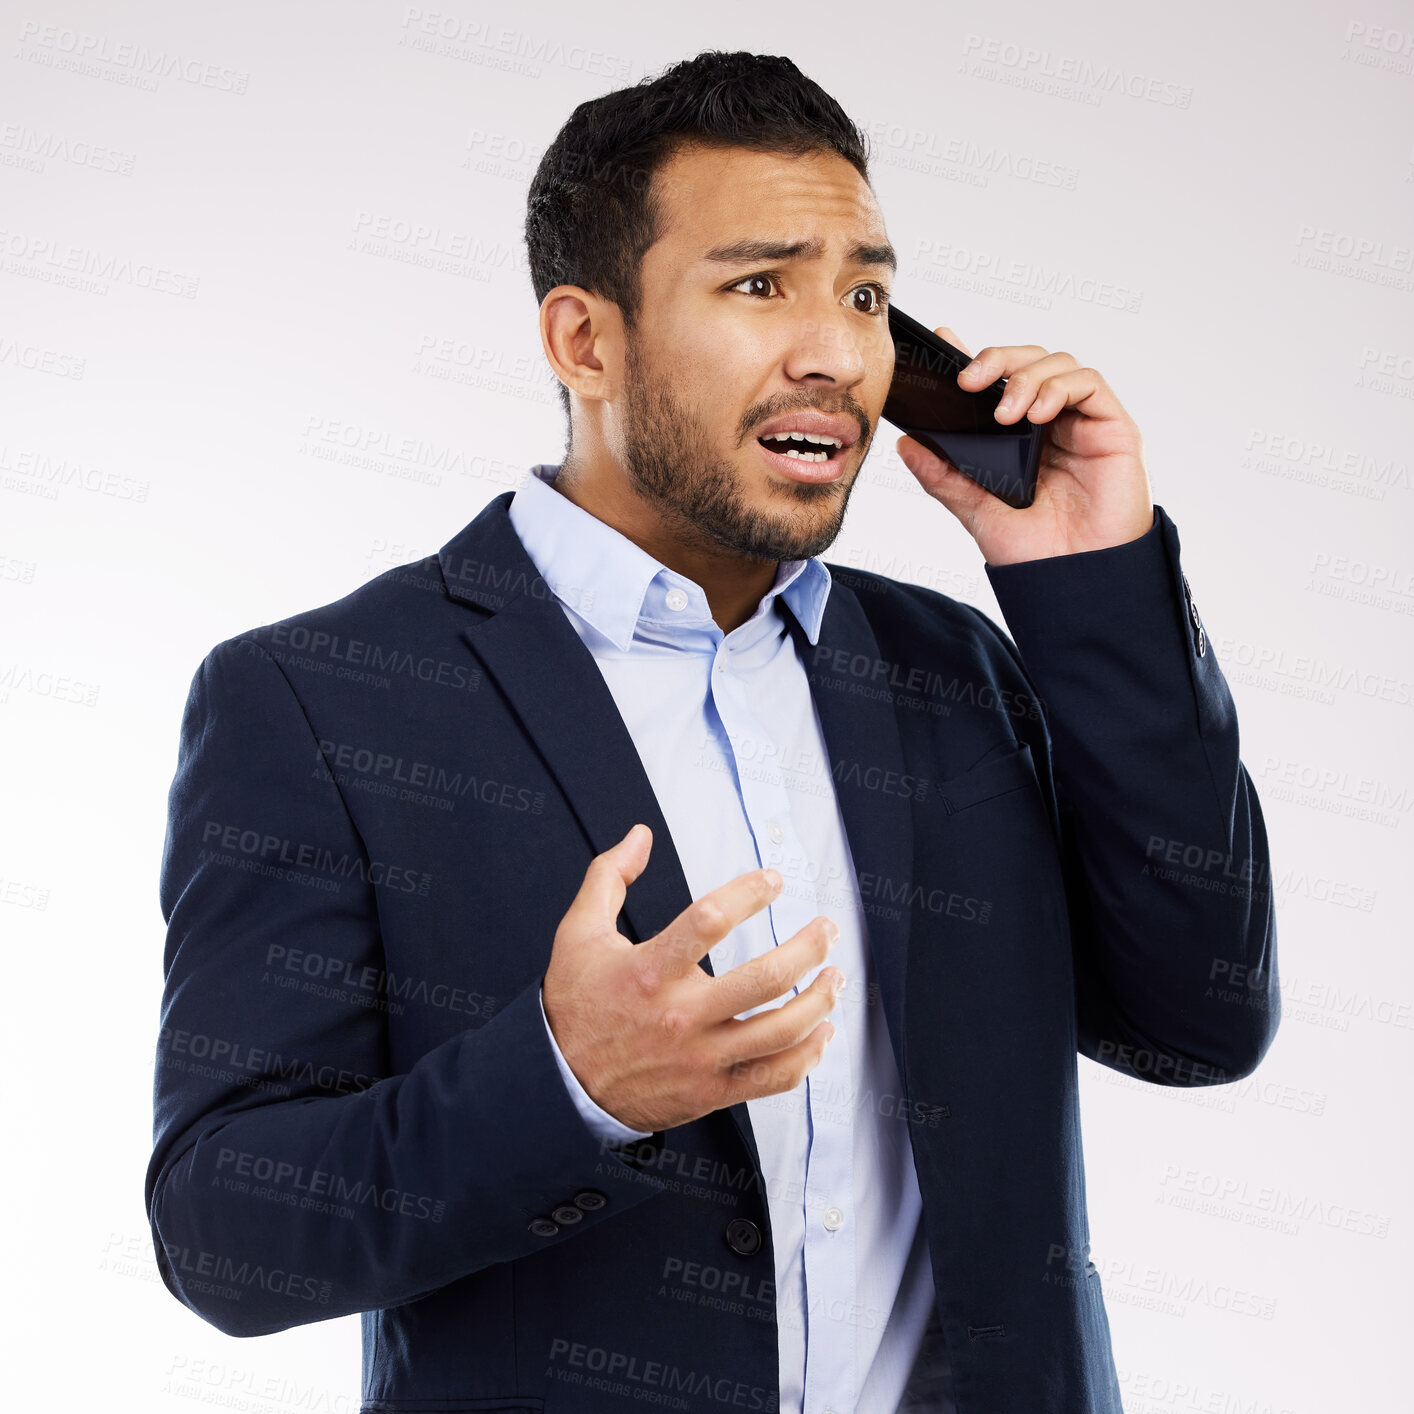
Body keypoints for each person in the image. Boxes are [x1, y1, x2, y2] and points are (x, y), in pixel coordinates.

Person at [146, 49, 1279, 1414]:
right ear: (585, 340)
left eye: (864, 293)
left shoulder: (954, 669)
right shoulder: (326, 695)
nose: (835, 351)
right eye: (759, 285)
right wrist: (569, 1085)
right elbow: (226, 1231)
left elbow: (1196, 1022)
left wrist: (1088, 582)